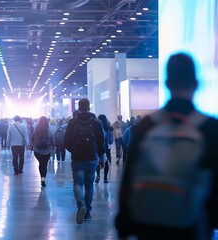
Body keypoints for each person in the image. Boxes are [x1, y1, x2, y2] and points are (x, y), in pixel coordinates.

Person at [115, 53, 218, 240]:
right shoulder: (210, 128)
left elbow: (129, 178)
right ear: (196, 84)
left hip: (148, 223)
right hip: (192, 225)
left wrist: (124, 225)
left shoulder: (147, 125)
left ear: (167, 84)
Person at [64, 98, 105, 224]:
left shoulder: (72, 122)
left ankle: (81, 204)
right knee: (89, 185)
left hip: (77, 158)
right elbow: (101, 142)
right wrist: (102, 158)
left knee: (78, 183)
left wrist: (74, 150)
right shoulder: (97, 122)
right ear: (89, 107)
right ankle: (87, 213)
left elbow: (66, 142)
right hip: (92, 157)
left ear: (78, 107)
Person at [31, 116, 55, 187]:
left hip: (37, 151)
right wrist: (53, 146)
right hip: (47, 151)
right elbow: (52, 140)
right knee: (44, 165)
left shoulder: (36, 130)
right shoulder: (49, 131)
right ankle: (43, 179)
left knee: (41, 164)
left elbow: (32, 139)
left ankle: (42, 178)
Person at [96, 114, 114, 184]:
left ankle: (98, 175)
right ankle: (105, 177)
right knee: (106, 162)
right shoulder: (108, 128)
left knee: (97, 161)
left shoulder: (96, 127)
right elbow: (110, 141)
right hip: (106, 148)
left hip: (97, 147)